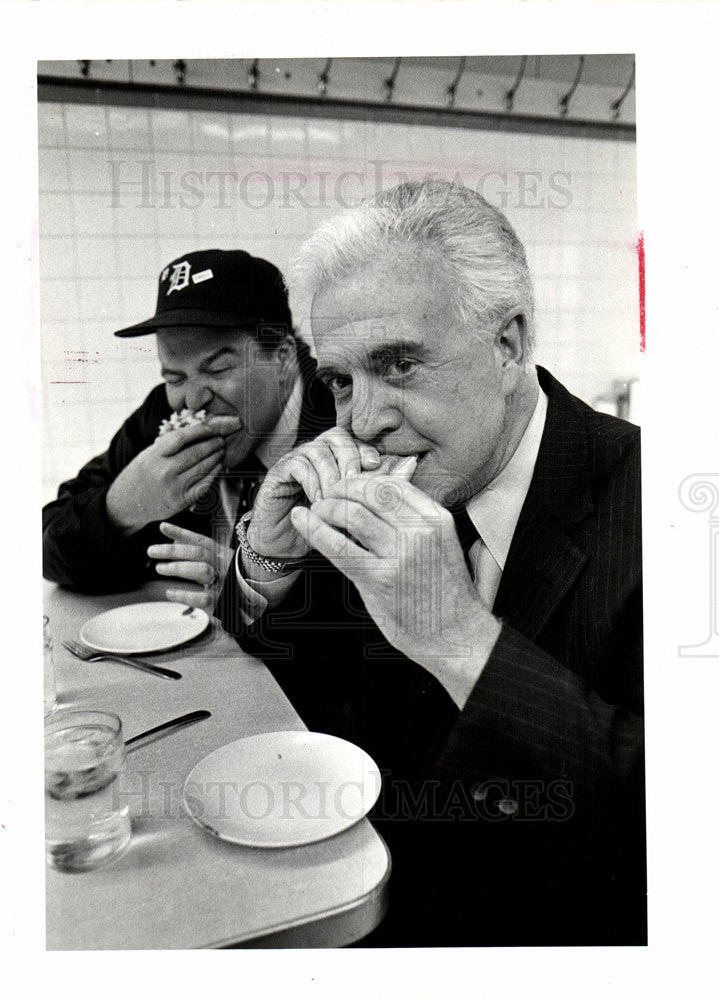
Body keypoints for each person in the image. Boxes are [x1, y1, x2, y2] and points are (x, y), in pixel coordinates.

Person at [218, 181, 645, 947]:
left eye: (402, 365)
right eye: (343, 380)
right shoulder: (388, 480)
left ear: (509, 343)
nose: (364, 421)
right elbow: (292, 701)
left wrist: (458, 641)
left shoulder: (665, 509)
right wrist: (266, 559)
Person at [42, 249, 335, 602]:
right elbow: (46, 548)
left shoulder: (341, 416)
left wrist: (259, 588)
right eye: (175, 376)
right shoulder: (160, 417)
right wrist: (120, 509)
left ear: (283, 358)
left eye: (217, 369)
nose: (193, 400)